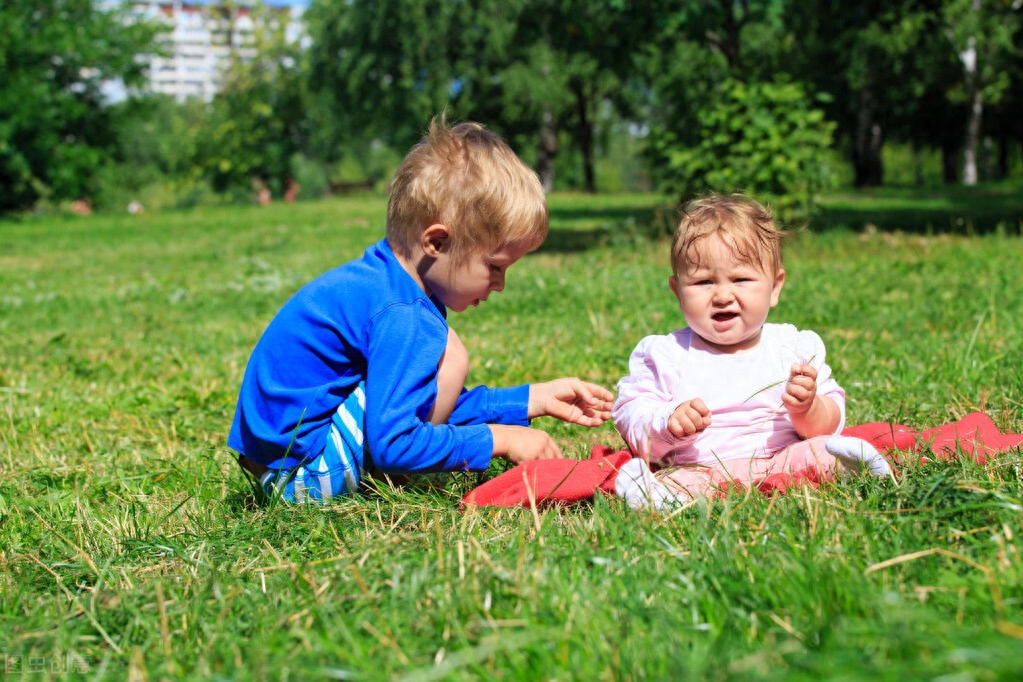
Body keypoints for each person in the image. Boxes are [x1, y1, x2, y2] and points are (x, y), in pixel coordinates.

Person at [229, 117, 614, 504]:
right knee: (450, 354)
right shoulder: (405, 312)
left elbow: (424, 400)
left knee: (434, 365)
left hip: (278, 465)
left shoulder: (383, 280)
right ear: (437, 242)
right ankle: (393, 480)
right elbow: (394, 442)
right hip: (303, 478)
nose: (500, 284)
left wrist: (534, 399)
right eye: (495, 266)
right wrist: (499, 438)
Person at [611, 193, 890, 510]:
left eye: (741, 279)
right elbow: (630, 414)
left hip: (780, 457)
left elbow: (831, 419)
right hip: (699, 466)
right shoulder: (666, 354)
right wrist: (667, 422)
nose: (722, 295)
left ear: (774, 287)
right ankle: (658, 497)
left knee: (822, 449)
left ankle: (853, 469)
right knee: (676, 481)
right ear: (678, 292)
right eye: (703, 282)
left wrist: (808, 407)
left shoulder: (792, 349)